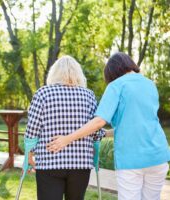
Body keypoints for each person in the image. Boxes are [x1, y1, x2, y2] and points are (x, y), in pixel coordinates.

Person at [47, 52, 170, 200]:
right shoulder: (150, 84)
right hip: (158, 157)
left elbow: (99, 121)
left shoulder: (117, 85)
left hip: (131, 160)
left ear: (112, 72)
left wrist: (67, 139)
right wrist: (104, 134)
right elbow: (136, 124)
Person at [24, 55, 104, 200]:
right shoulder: (89, 95)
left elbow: (32, 131)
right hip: (80, 163)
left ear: (54, 73)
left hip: (49, 162)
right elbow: (96, 131)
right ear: (78, 74)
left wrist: (29, 155)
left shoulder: (43, 93)